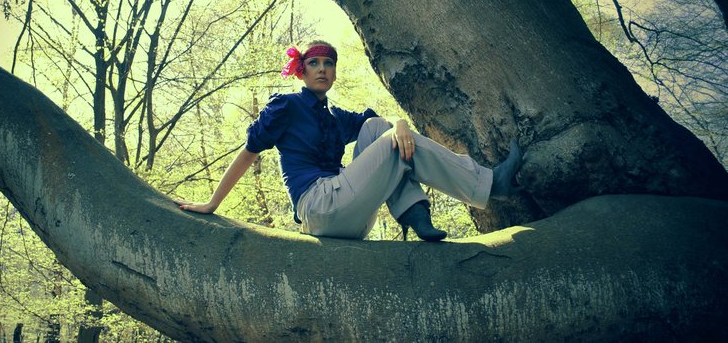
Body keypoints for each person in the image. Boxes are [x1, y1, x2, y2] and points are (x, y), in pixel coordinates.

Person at [178, 40, 523, 241]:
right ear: (301, 71)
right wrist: (212, 204)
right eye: (314, 63)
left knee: (376, 128)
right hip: (319, 205)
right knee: (392, 139)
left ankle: (415, 214)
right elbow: (249, 151)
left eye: (328, 63)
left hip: (353, 215)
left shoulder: (334, 115)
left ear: (334, 72)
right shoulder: (286, 107)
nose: (322, 69)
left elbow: (380, 128)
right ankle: (490, 184)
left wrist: (400, 122)